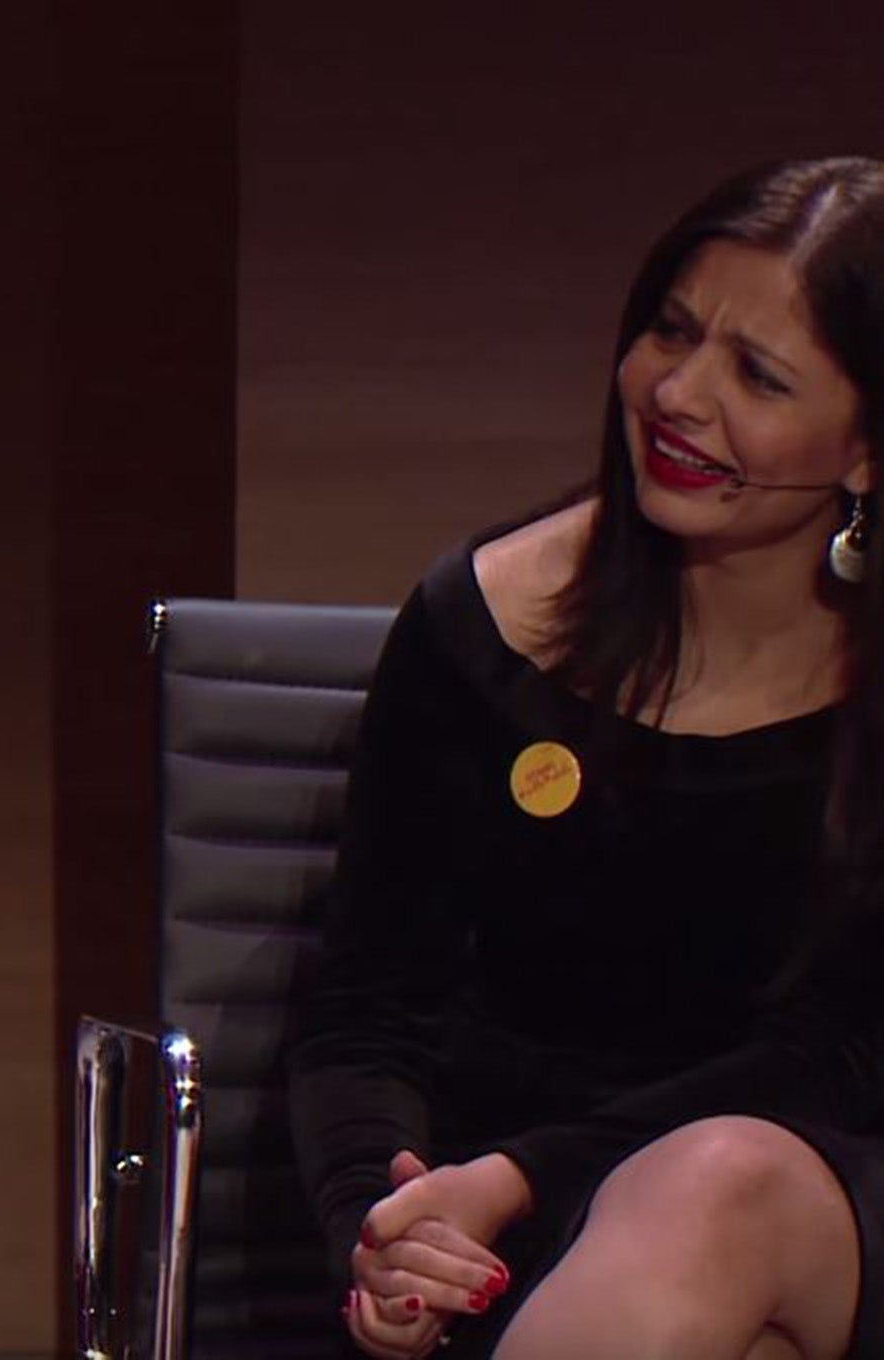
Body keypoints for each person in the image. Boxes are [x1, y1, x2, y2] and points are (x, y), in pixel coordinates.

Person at [287, 156, 884, 1359]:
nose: (678, 393)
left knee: (709, 1184)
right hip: (506, 1234)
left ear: (865, 449)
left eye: (755, 375)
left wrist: (515, 1177)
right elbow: (365, 1004)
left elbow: (840, 1052)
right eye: (669, 331)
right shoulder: (480, 623)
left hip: (811, 1184)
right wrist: (385, 1221)